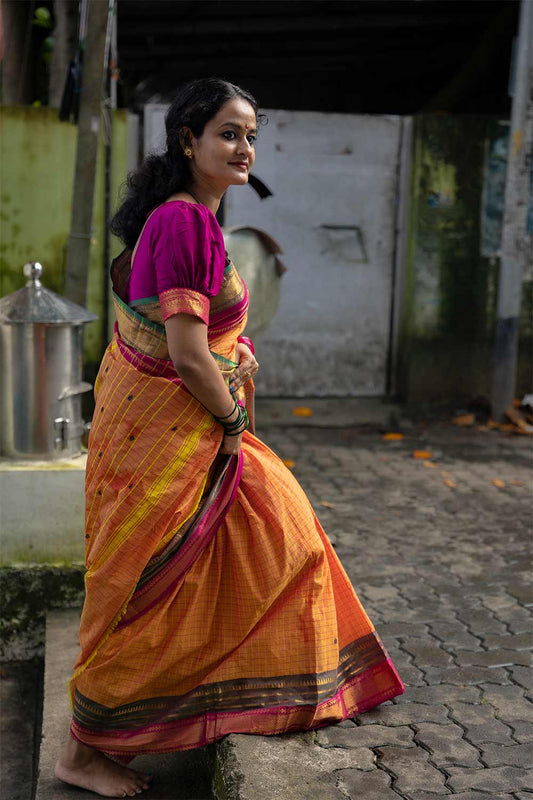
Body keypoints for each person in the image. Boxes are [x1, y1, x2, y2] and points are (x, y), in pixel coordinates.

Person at [55, 78, 404, 798]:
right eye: (228, 133)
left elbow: (200, 337)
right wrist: (232, 418)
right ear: (188, 140)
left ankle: (212, 700)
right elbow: (184, 354)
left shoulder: (190, 219)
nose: (244, 147)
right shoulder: (183, 223)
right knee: (159, 584)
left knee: (223, 565)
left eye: (250, 134)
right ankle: (84, 750)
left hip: (176, 425)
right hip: (178, 431)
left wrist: (230, 366)